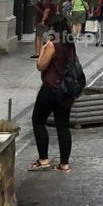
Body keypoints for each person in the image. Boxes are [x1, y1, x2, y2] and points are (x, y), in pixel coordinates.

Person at [30, 13, 77, 173]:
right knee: (63, 126)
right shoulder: (70, 44)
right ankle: (64, 164)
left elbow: (40, 66)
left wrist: (42, 49)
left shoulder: (52, 44)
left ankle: (43, 159)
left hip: (51, 88)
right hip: (66, 90)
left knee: (38, 121)